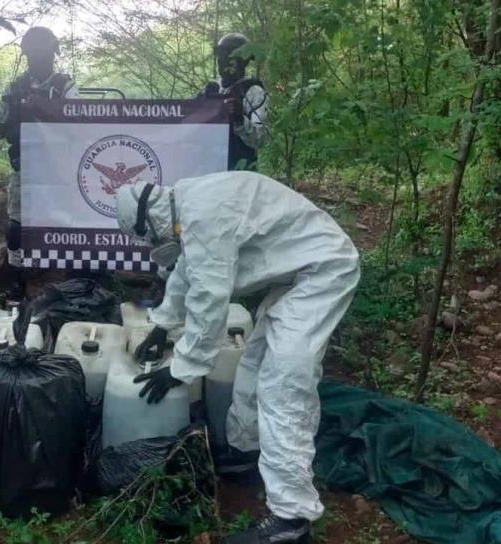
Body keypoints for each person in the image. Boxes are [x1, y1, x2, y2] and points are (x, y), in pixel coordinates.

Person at [116, 173, 360, 544]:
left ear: (149, 219)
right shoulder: (188, 204)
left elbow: (209, 298)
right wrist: (162, 326)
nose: (156, 244)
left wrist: (181, 368)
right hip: (296, 276)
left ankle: (291, 520)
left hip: (322, 273)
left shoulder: (200, 215)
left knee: (284, 387)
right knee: (254, 365)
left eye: (150, 237)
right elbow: (187, 271)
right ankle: (247, 453)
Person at [0, 26, 76, 300]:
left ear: (53, 55)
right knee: (16, 224)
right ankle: (16, 277)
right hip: (24, 166)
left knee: (65, 222)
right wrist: (11, 123)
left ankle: (66, 276)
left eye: (43, 56)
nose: (38, 61)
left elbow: (82, 121)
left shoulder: (66, 87)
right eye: (33, 56)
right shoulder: (15, 88)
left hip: (59, 169)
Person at [199, 33, 269, 171]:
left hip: (240, 171)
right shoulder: (210, 89)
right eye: (221, 56)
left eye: (229, 57)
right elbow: (186, 124)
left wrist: (239, 120)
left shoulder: (253, 91)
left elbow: (261, 139)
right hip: (208, 170)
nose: (223, 61)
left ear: (244, 62)